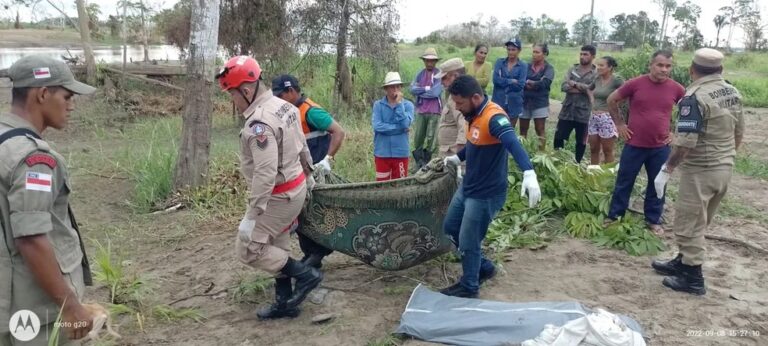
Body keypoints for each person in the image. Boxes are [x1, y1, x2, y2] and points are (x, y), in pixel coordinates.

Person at [216, 56, 322, 320]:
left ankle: (306, 275)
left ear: (247, 90)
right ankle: (285, 303)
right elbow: (301, 143)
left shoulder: (258, 124)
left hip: (278, 195)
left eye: (233, 95)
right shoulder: (284, 106)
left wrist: (252, 217)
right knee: (277, 242)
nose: (233, 101)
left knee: (249, 247)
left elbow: (264, 172)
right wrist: (308, 173)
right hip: (295, 187)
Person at [1, 55, 96, 344]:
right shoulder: (34, 159)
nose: (72, 105)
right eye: (66, 95)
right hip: (30, 306)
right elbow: (31, 238)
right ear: (43, 94)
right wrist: (70, 305)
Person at [651, 48, 744, 295]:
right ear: (720, 70)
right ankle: (682, 262)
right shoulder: (732, 91)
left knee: (689, 222)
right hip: (724, 168)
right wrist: (725, 157)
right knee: (700, 220)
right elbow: (739, 132)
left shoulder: (694, 97)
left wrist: (667, 169)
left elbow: (685, 142)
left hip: (701, 169)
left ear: (692, 70)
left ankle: (692, 278)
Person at [441, 76, 541, 298]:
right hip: (468, 187)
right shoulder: (473, 114)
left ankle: (469, 286)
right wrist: (458, 158)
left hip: (485, 194)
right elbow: (475, 143)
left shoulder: (494, 118)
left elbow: (512, 143)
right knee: (450, 228)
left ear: (475, 98)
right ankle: (483, 267)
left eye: (460, 103)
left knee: (469, 240)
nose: (457, 108)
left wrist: (528, 171)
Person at [605, 50, 685, 235]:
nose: (664, 69)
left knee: (658, 184)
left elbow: (689, 110)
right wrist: (619, 124)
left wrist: (675, 132)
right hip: (634, 144)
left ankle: (653, 219)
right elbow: (611, 100)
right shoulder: (635, 83)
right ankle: (615, 216)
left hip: (660, 147)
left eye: (668, 66)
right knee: (624, 181)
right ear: (651, 65)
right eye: (660, 65)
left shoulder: (676, 88)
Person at [271, 74, 346, 269]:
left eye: (281, 95)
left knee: (315, 215)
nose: (278, 99)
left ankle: (317, 255)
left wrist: (327, 160)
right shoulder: (289, 111)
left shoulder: (311, 112)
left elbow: (339, 132)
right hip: (300, 173)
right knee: (303, 216)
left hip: (316, 174)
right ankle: (312, 255)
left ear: (291, 91)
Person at [554, 45, 597, 163]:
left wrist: (574, 84)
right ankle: (558, 161)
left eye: (585, 54)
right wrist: (585, 89)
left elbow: (593, 89)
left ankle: (577, 164)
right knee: (558, 137)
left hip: (583, 113)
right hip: (567, 110)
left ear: (593, 56)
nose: (582, 56)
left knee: (581, 141)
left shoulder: (596, 73)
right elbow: (564, 86)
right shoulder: (572, 69)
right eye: (581, 54)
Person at [373, 72, 415, 181]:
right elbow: (377, 126)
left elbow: (405, 124)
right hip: (382, 153)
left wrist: (399, 104)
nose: (396, 89)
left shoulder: (408, 105)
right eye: (392, 87)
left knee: (400, 186)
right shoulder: (378, 105)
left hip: (400, 152)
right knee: (381, 186)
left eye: (398, 86)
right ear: (386, 89)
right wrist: (399, 129)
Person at [409, 48, 443, 169]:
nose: (429, 63)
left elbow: (435, 92)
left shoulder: (439, 74)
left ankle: (427, 161)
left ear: (435, 61)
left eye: (432, 61)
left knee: (431, 137)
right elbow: (412, 89)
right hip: (421, 109)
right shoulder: (420, 73)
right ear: (424, 61)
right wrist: (427, 89)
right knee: (418, 136)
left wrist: (421, 90)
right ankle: (418, 162)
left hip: (434, 110)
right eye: (427, 61)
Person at [587, 56, 623, 165]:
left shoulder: (616, 80)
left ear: (610, 67)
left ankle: (608, 175)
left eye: (601, 65)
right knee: (593, 149)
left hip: (607, 118)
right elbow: (589, 89)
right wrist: (592, 101)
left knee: (607, 150)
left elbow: (626, 92)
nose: (598, 67)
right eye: (598, 65)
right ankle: (593, 174)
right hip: (593, 117)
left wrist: (616, 104)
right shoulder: (597, 79)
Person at [522, 43, 555, 150]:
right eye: (533, 51)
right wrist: (537, 83)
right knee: (523, 130)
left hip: (540, 102)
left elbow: (545, 84)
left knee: (540, 129)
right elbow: (520, 82)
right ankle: (522, 153)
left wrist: (531, 82)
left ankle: (541, 155)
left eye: (537, 52)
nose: (534, 54)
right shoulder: (526, 66)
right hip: (524, 101)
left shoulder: (548, 68)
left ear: (544, 54)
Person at [435, 58, 467, 158]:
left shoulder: (460, 97)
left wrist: (459, 158)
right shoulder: (451, 95)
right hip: (448, 152)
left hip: (453, 154)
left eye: (444, 78)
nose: (441, 82)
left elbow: (464, 126)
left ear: (455, 76)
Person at [492, 38, 528, 128]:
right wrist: (511, 81)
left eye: (513, 49)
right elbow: (495, 80)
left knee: (509, 130)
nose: (510, 52)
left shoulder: (523, 65)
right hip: (499, 101)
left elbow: (520, 85)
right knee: (497, 128)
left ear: (519, 50)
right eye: (508, 49)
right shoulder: (499, 62)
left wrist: (503, 82)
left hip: (514, 103)